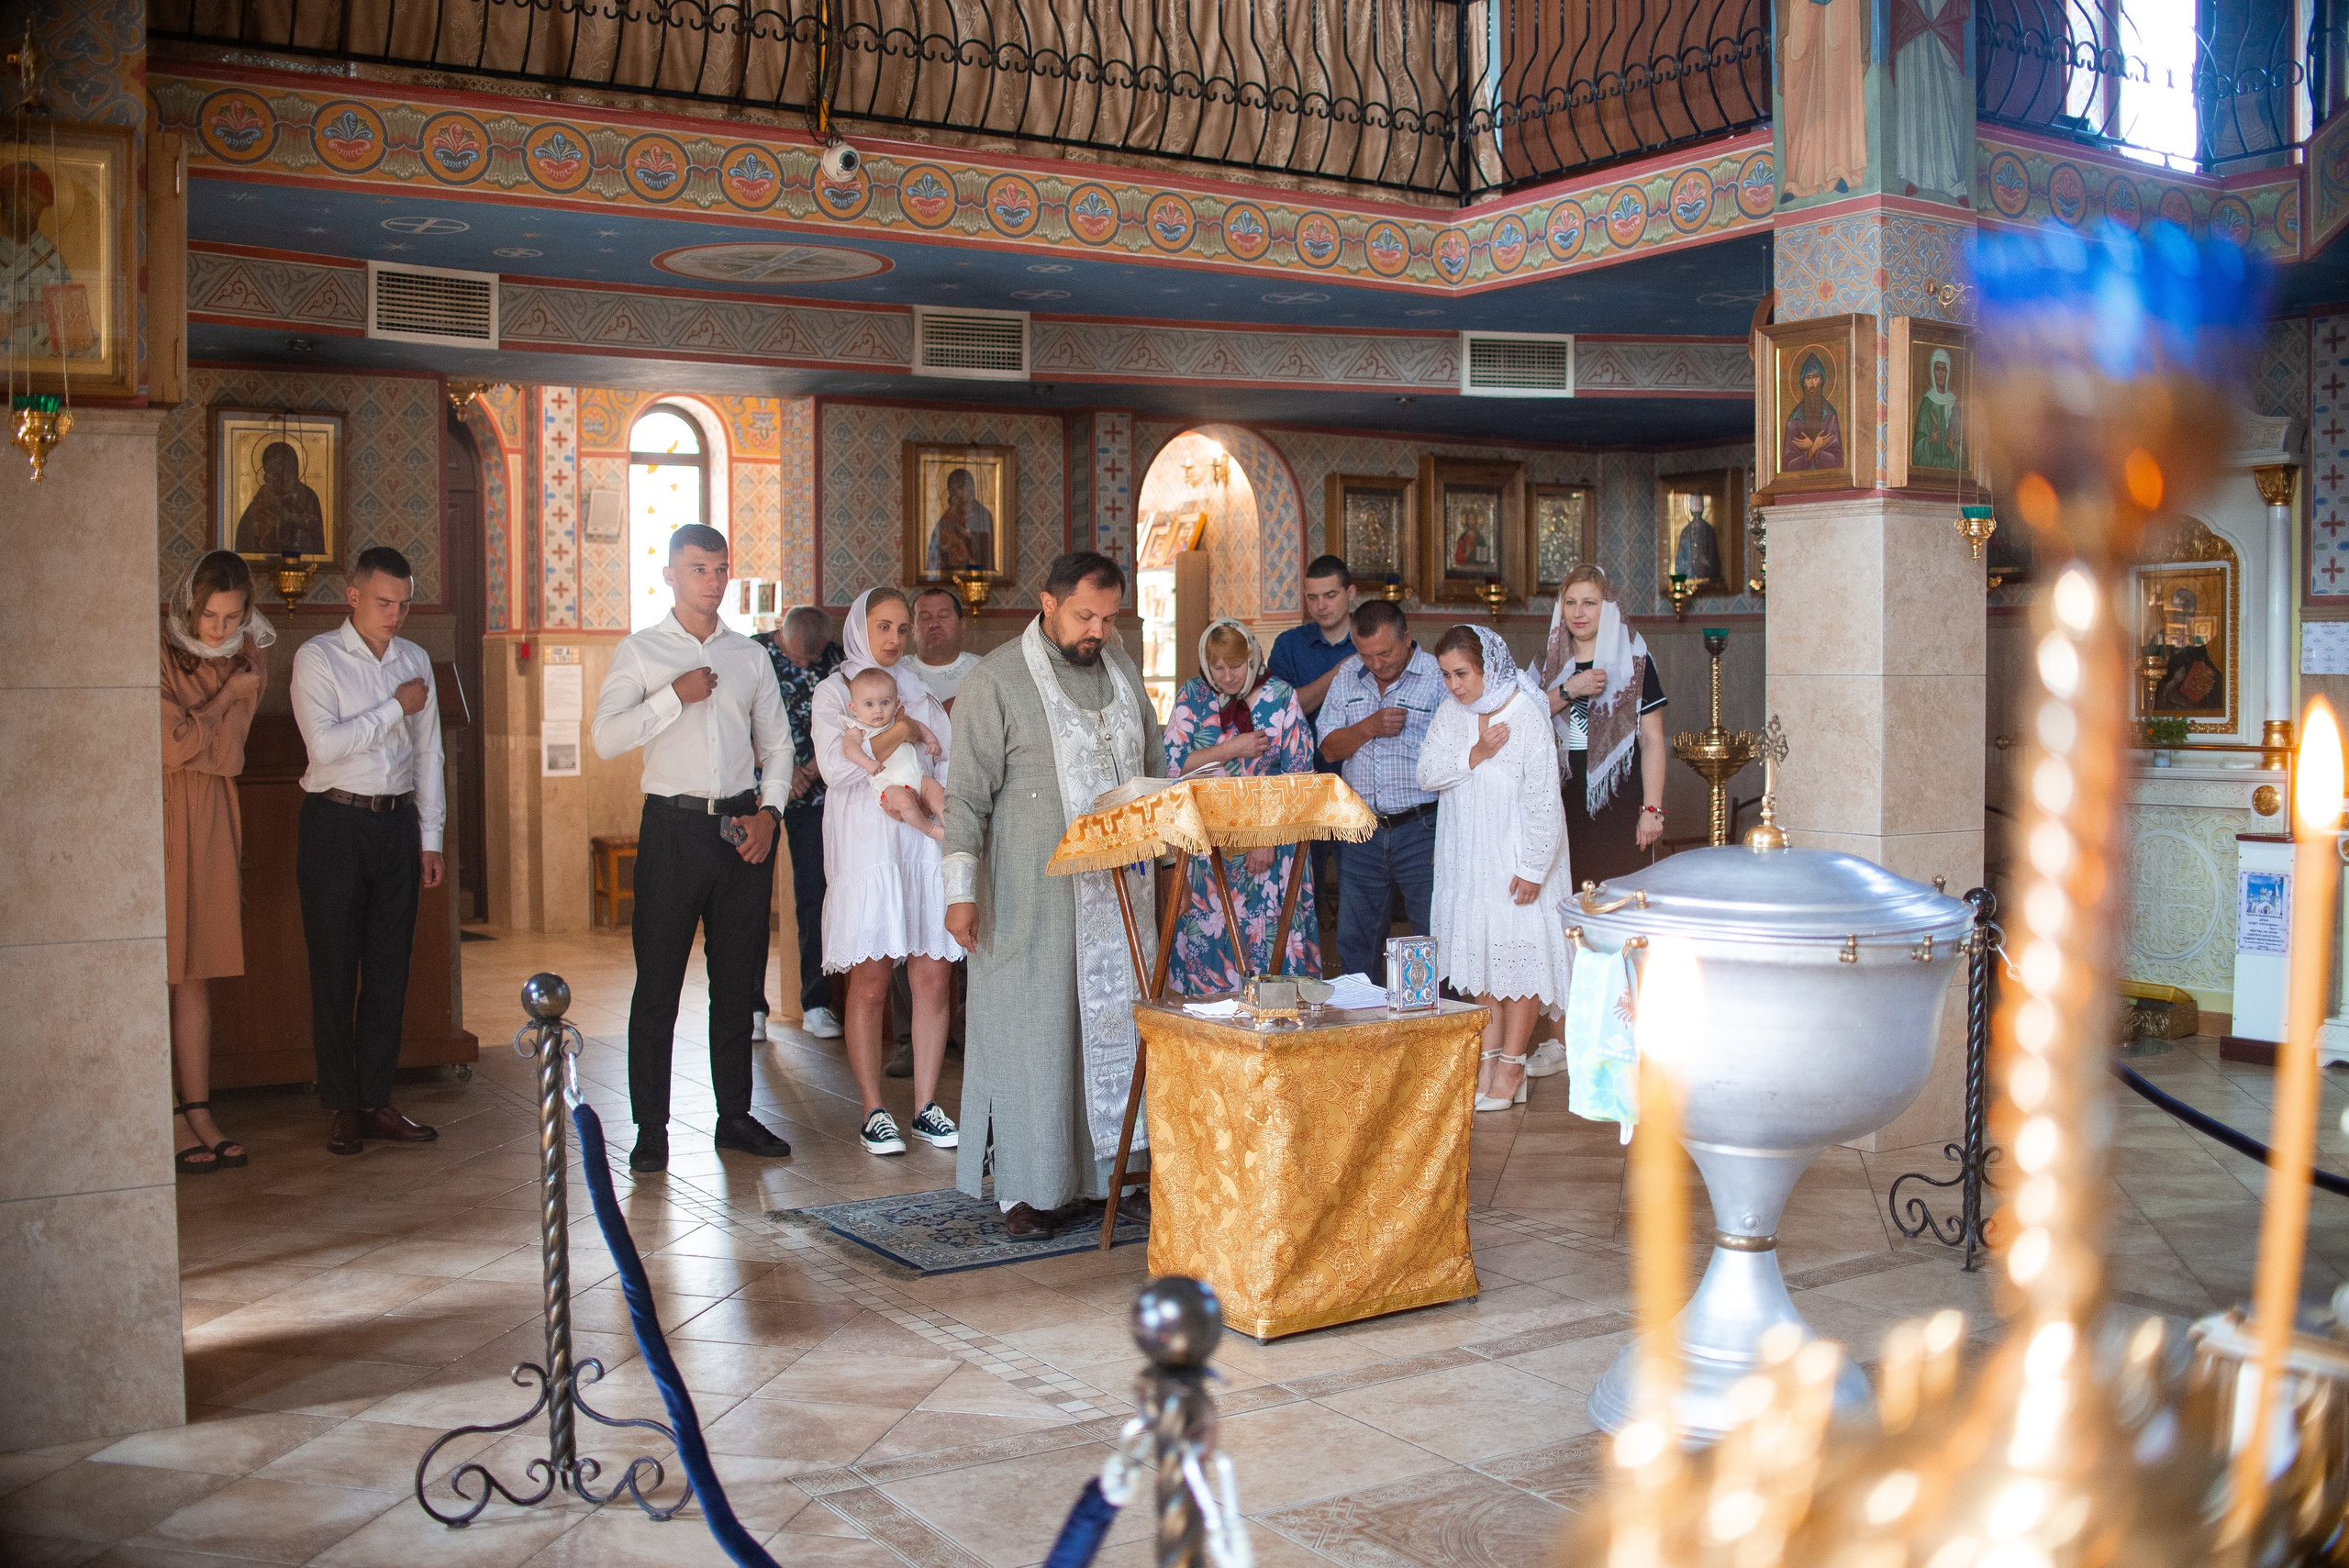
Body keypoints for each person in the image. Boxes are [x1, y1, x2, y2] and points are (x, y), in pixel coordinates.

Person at [942, 551, 1162, 1239]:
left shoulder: (1123, 671)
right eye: (1085, 616)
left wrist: (1167, 860)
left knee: (1120, 1028)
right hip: (1033, 896)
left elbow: (1154, 768)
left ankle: (1117, 1175)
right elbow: (965, 797)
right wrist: (960, 892)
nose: (1098, 630)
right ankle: (1029, 1189)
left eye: (1109, 618)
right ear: (1048, 604)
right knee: (1035, 1032)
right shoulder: (996, 680)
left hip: (1122, 898)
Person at [591, 524, 796, 1173]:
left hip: (741, 829)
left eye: (720, 568)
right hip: (672, 829)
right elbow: (605, 737)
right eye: (698, 568)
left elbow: (780, 746)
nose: (712, 580)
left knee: (736, 983)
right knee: (657, 984)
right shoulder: (641, 650)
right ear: (671, 575)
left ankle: (734, 1116)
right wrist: (671, 698)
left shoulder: (749, 656)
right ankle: (650, 1127)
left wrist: (770, 814)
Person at [290, 546, 446, 1156]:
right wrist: (393, 707)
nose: (394, 615)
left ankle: (377, 1099)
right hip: (334, 822)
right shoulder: (318, 657)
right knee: (333, 968)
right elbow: (325, 748)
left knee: (389, 970)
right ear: (353, 596)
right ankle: (341, 1105)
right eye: (383, 602)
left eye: (404, 604)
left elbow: (428, 752)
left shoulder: (415, 660)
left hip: (396, 824)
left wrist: (430, 838)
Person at [813, 588, 963, 1157]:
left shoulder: (916, 689)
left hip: (919, 845)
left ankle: (926, 1106)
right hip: (867, 846)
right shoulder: (834, 691)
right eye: (883, 627)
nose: (895, 639)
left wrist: (927, 788)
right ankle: (873, 1109)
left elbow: (944, 759)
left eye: (903, 628)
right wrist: (901, 732)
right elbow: (837, 768)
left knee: (932, 976)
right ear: (859, 628)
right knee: (872, 981)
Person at [1419, 626, 1574, 1112]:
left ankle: (1512, 1067)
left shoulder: (1525, 713)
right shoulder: (1451, 714)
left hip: (1514, 859)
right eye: (1446, 675)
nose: (1454, 685)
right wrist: (1477, 753)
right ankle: (1487, 1063)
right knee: (1482, 960)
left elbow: (1544, 800)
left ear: (1488, 668)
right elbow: (1426, 773)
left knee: (1518, 960)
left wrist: (1533, 869)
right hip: (1468, 861)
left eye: (1462, 674)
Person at [161, 550, 273, 1174]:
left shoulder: (248, 657)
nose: (220, 628)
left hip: (210, 812)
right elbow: (169, 744)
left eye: (232, 617)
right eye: (210, 615)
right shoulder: (158, 652)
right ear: (190, 606)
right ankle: (164, 1108)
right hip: (157, 809)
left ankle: (199, 1109)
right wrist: (227, 696)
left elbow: (227, 756)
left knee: (196, 968)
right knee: (155, 962)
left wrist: (205, 720)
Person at [1161, 619, 1321, 992]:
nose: (1228, 677)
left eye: (1236, 666)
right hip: (1207, 846)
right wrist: (1231, 748)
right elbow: (1172, 765)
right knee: (1211, 939)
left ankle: (1274, 1020)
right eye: (1218, 667)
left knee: (1268, 946)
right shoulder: (1192, 694)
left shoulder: (1280, 695)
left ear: (1252, 659)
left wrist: (1266, 836)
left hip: (1270, 843)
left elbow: (1301, 777)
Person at [1316, 599, 1444, 982]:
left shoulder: (1438, 677)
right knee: (1357, 940)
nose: (1376, 664)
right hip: (1362, 830)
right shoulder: (1347, 675)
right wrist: (1368, 727)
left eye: (1385, 653)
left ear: (1407, 638)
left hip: (1423, 827)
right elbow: (1328, 749)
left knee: (1431, 934)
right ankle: (1361, 1016)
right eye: (1366, 655)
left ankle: (1437, 1017)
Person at [753, 605, 845, 1041]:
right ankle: (752, 1008)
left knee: (815, 895)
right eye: (798, 657)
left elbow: (849, 722)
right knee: (751, 898)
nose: (807, 665)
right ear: (782, 636)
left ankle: (816, 1003)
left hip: (817, 791)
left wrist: (806, 772)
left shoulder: (837, 659)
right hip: (759, 794)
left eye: (814, 657)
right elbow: (734, 722)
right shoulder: (754, 655)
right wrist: (780, 774)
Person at [1267, 554, 1359, 940]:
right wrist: (1338, 674)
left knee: (1360, 893)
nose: (1321, 605)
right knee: (1306, 890)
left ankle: (1359, 971)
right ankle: (1312, 966)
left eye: (1330, 595)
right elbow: (1283, 711)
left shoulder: (1371, 638)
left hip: (1359, 782)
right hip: (1305, 784)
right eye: (1312, 597)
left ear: (1351, 593)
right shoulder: (1290, 645)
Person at [843, 668, 947, 840]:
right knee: (904, 801)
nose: (878, 710)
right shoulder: (857, 728)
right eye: (869, 704)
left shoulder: (897, 720)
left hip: (918, 777)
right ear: (854, 708)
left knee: (937, 792)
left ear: (897, 703)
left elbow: (919, 727)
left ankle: (949, 824)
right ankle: (929, 829)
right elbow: (849, 748)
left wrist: (931, 741)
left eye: (885, 702)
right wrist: (867, 762)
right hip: (889, 785)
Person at [234, 441, 328, 556]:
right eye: (272, 467)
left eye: (282, 464)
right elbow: (247, 533)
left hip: (300, 554)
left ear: (293, 467)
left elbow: (316, 535)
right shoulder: (265, 494)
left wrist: (290, 516)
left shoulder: (307, 495)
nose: (280, 471)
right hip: (267, 554)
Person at [908, 586, 981, 709]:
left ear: (962, 625)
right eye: (925, 618)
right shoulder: (896, 673)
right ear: (912, 631)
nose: (934, 624)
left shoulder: (983, 670)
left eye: (943, 616)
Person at [927, 468, 996, 573]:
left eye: (959, 487)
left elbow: (987, 547)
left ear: (970, 488)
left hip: (975, 570)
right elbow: (937, 544)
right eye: (952, 489)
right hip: (951, 571)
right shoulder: (949, 514)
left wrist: (970, 536)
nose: (955, 493)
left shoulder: (983, 514)